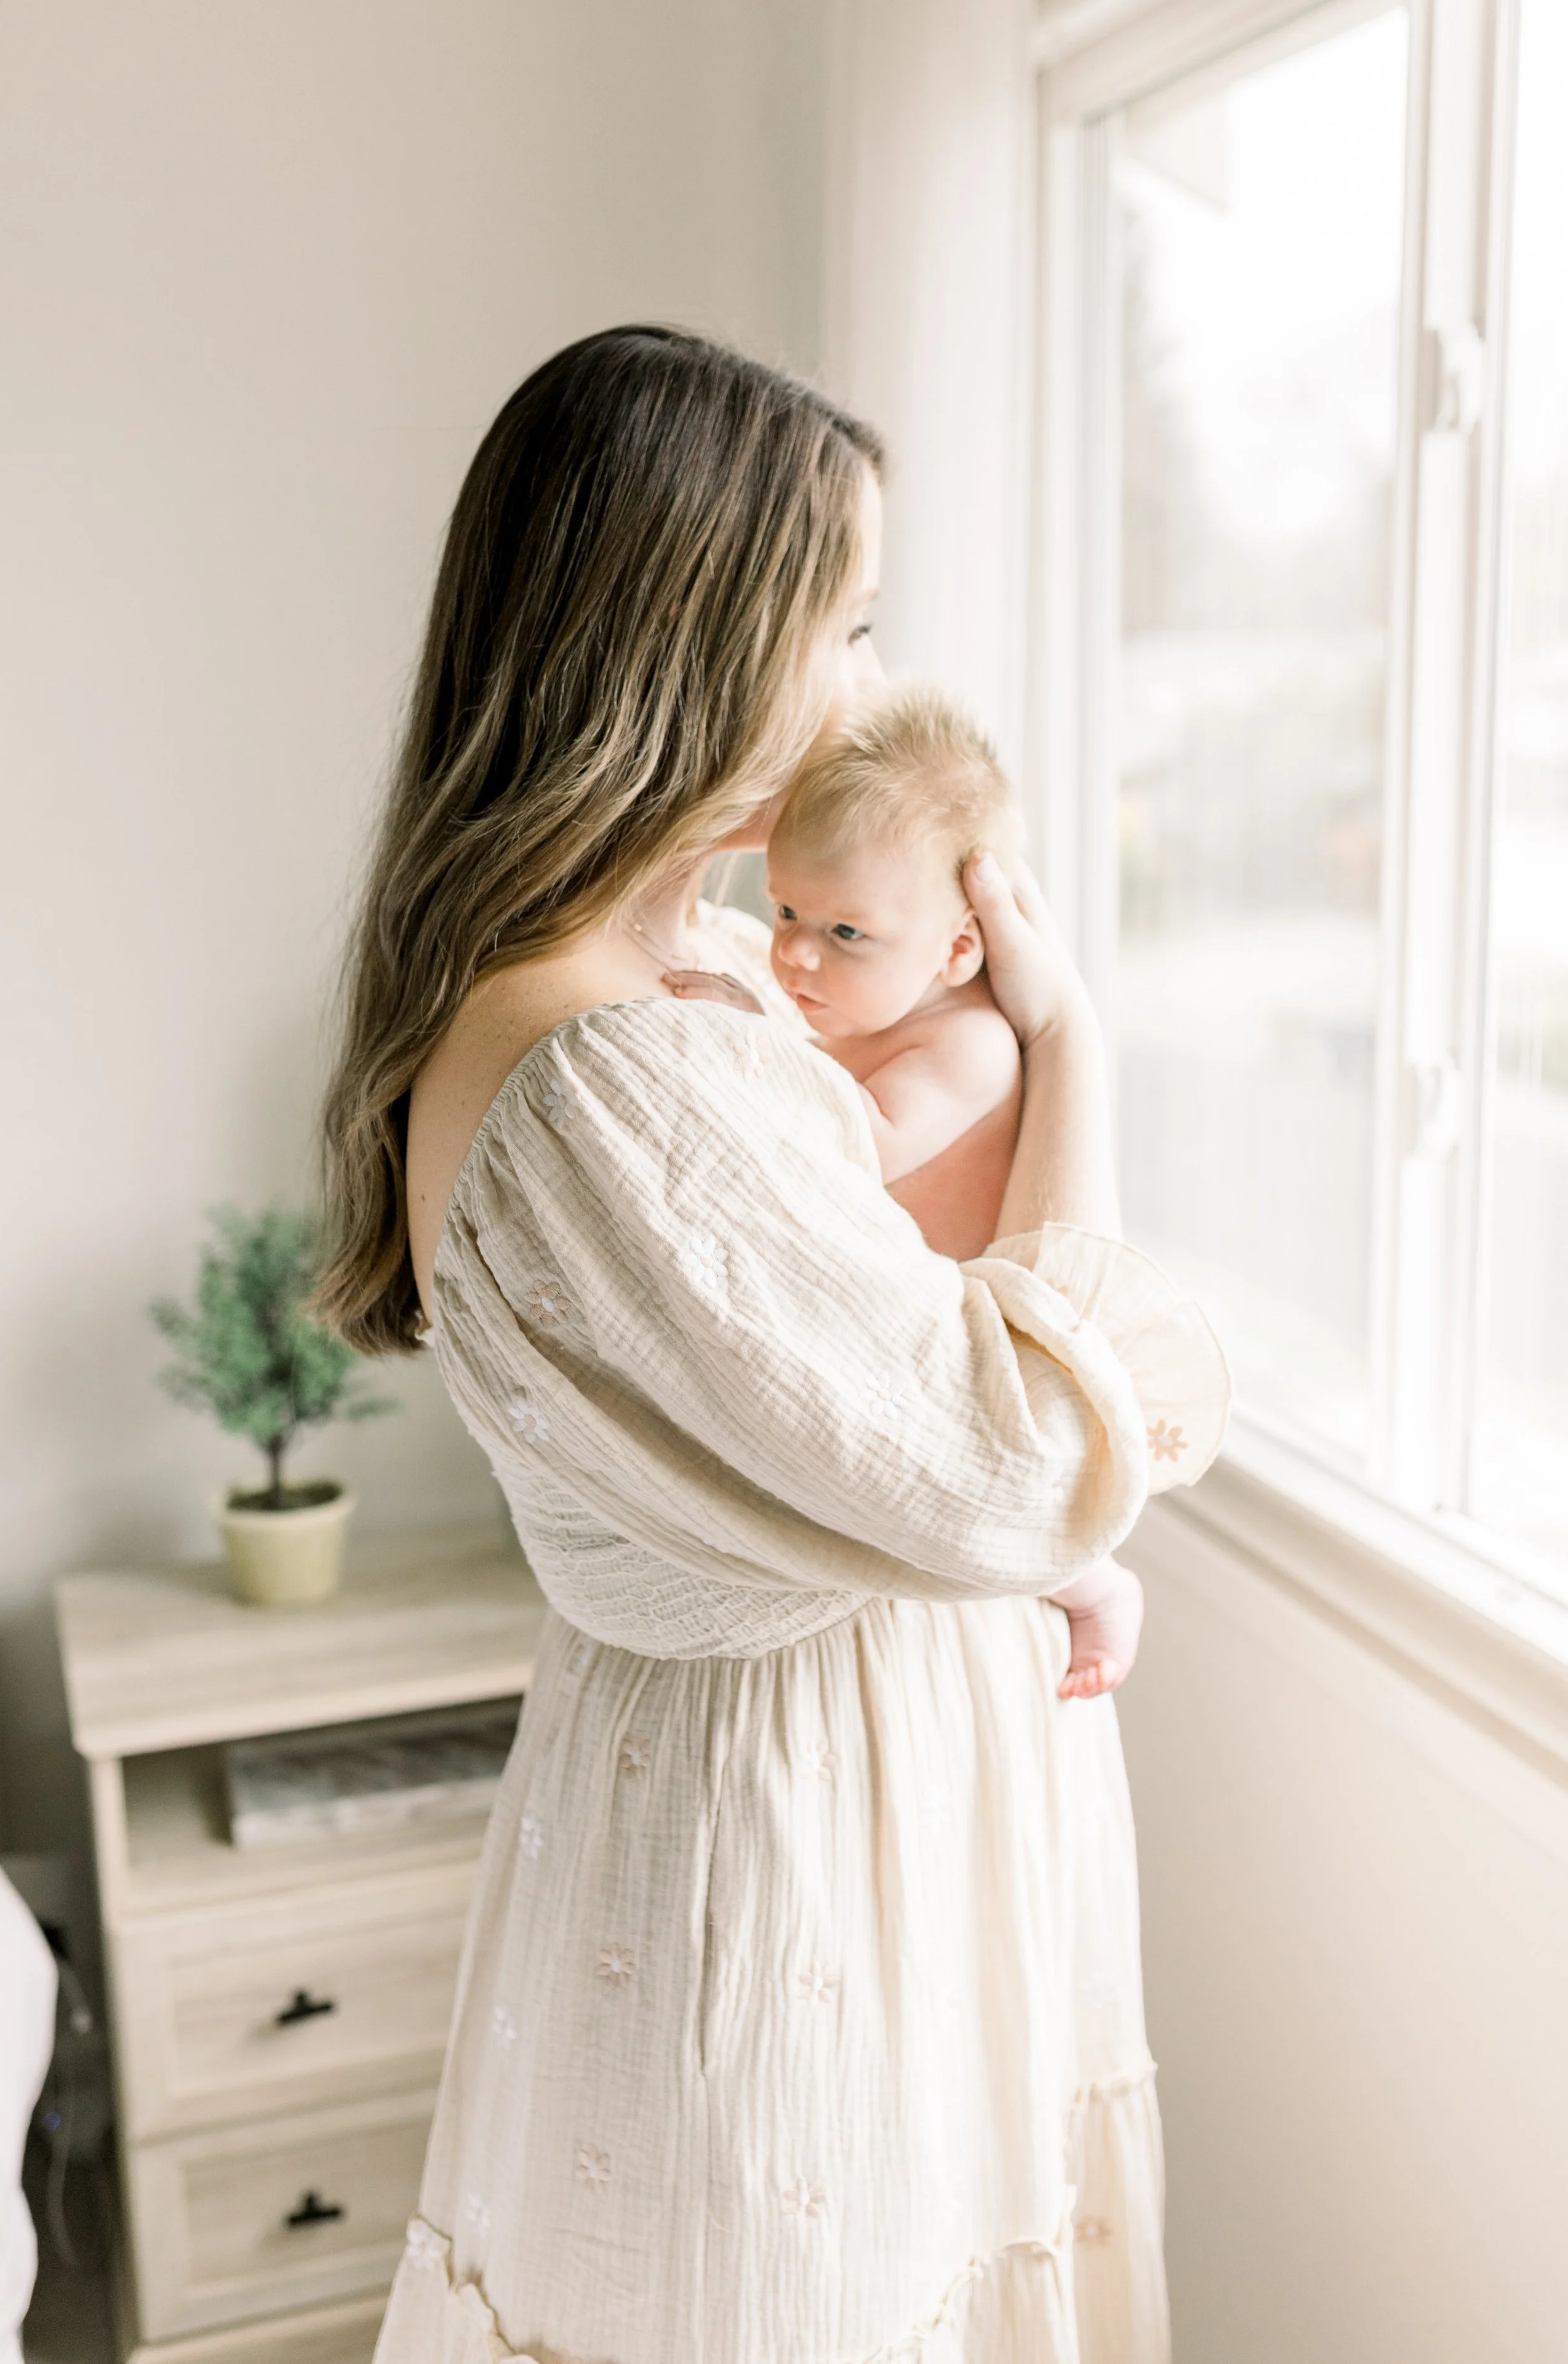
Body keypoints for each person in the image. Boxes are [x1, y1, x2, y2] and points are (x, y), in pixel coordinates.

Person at [317, 325, 1229, 2364]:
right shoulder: (621, 1083)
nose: (867, 689)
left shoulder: (690, 985)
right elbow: (1020, 1462)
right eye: (847, 623)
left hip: (831, 1798)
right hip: (804, 1845)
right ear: (694, 637)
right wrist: (1070, 1038)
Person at [675, 680, 1146, 1704]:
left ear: (960, 947)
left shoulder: (969, 1044)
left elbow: (860, 1142)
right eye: (785, 910)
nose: (794, 952)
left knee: (1014, 1502)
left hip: (973, 1332)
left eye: (846, 933)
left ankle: (1100, 1585)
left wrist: (746, 1041)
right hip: (899, 1309)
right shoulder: (867, 1009)